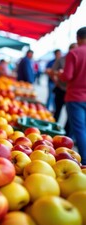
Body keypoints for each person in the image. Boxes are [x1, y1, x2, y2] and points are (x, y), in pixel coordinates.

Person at [59, 26, 86, 166]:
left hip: (75, 97)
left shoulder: (74, 53)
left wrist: (60, 73)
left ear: (78, 38)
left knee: (80, 130)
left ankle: (85, 161)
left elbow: (67, 76)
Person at [52, 43, 77, 138]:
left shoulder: (78, 59)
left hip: (72, 92)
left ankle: (66, 136)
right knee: (57, 110)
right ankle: (54, 131)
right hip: (61, 89)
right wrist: (57, 80)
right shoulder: (61, 59)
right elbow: (52, 71)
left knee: (70, 116)